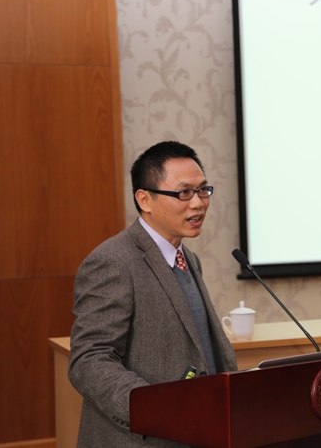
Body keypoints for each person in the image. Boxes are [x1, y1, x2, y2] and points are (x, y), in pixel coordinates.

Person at [68, 141, 238, 447]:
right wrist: (157, 411)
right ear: (145, 199)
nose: (198, 203)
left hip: (199, 432)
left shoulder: (188, 259)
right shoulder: (113, 261)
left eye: (203, 190)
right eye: (184, 193)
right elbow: (89, 360)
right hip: (143, 438)